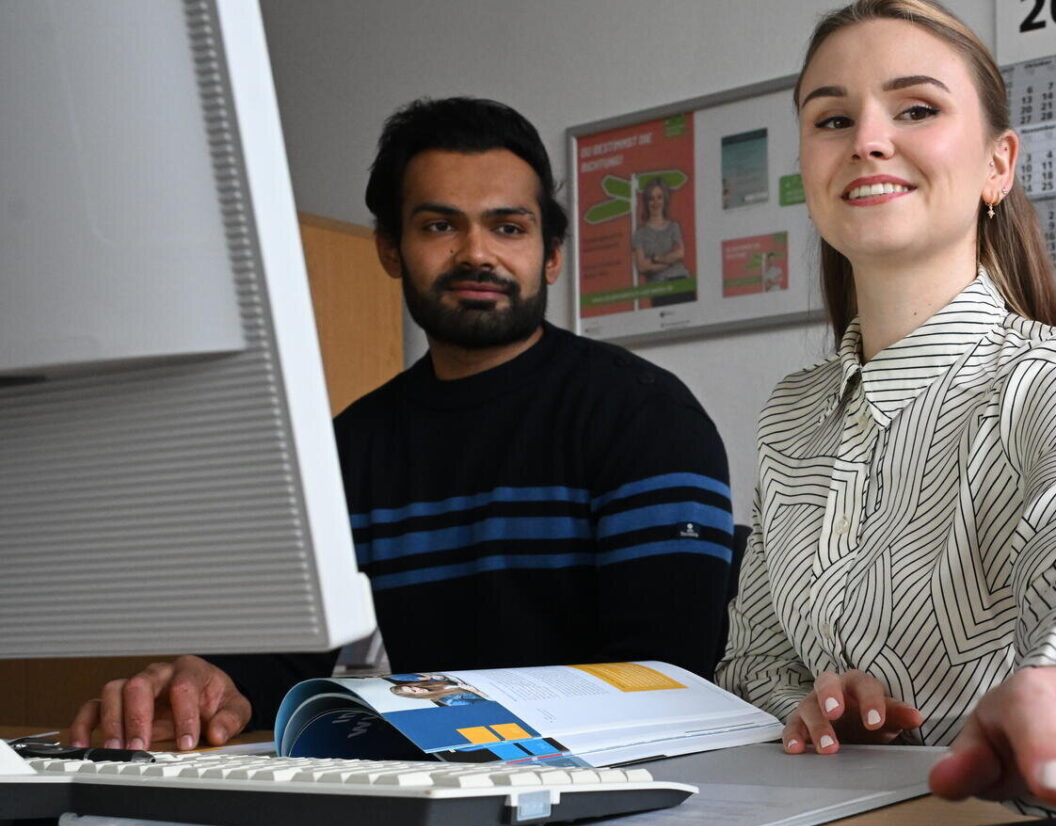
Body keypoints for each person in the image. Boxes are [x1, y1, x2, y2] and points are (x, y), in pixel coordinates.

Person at [69, 97, 734, 753]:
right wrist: (210, 685)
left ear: (552, 254)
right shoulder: (346, 450)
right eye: (440, 226)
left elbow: (663, 684)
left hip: (617, 795)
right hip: (439, 789)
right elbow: (281, 663)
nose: (478, 254)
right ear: (390, 248)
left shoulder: (646, 417)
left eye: (508, 227)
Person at [716, 0, 1056, 826]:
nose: (868, 140)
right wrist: (812, 708)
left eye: (915, 109)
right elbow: (751, 666)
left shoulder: (1054, 375)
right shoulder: (792, 413)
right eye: (833, 119)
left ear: (998, 165)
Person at [630, 180, 692, 305]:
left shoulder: (673, 227)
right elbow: (642, 266)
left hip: (681, 281)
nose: (655, 202)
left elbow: (680, 253)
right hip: (659, 286)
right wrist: (669, 261)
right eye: (651, 199)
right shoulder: (640, 234)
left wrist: (656, 259)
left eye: (659, 197)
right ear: (646, 202)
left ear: (665, 200)